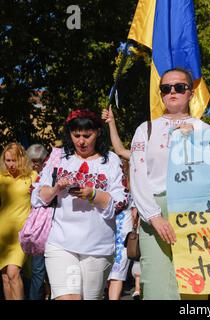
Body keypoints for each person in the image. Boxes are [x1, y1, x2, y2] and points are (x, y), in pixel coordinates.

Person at [130, 67, 210, 300]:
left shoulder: (206, 131)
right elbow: (137, 174)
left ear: (191, 93)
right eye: (166, 88)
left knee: (193, 288)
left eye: (179, 87)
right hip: (154, 212)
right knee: (156, 286)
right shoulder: (146, 129)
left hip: (194, 212)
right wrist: (154, 216)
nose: (172, 92)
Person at [31, 109, 129, 300]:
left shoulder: (110, 160)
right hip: (61, 243)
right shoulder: (58, 158)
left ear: (98, 133)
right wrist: (55, 188)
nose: (81, 141)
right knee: (68, 297)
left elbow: (121, 200)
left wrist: (93, 194)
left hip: (98, 246)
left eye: (87, 135)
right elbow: (37, 195)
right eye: (76, 135)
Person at [0, 142, 37, 300]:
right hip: (3, 232)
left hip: (22, 232)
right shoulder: (1, 178)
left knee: (13, 272)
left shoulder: (33, 177)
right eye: (7, 160)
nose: (10, 164)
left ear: (21, 159)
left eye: (14, 160)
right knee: (5, 276)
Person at [106, 159, 133, 300]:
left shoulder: (132, 185)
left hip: (121, 234)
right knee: (113, 272)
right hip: (110, 232)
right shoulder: (132, 185)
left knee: (116, 273)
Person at [26, 144, 49, 300]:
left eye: (37, 161)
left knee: (43, 269)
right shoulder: (30, 177)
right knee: (37, 270)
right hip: (37, 229)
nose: (34, 164)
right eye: (32, 161)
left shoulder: (49, 174)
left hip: (50, 227)